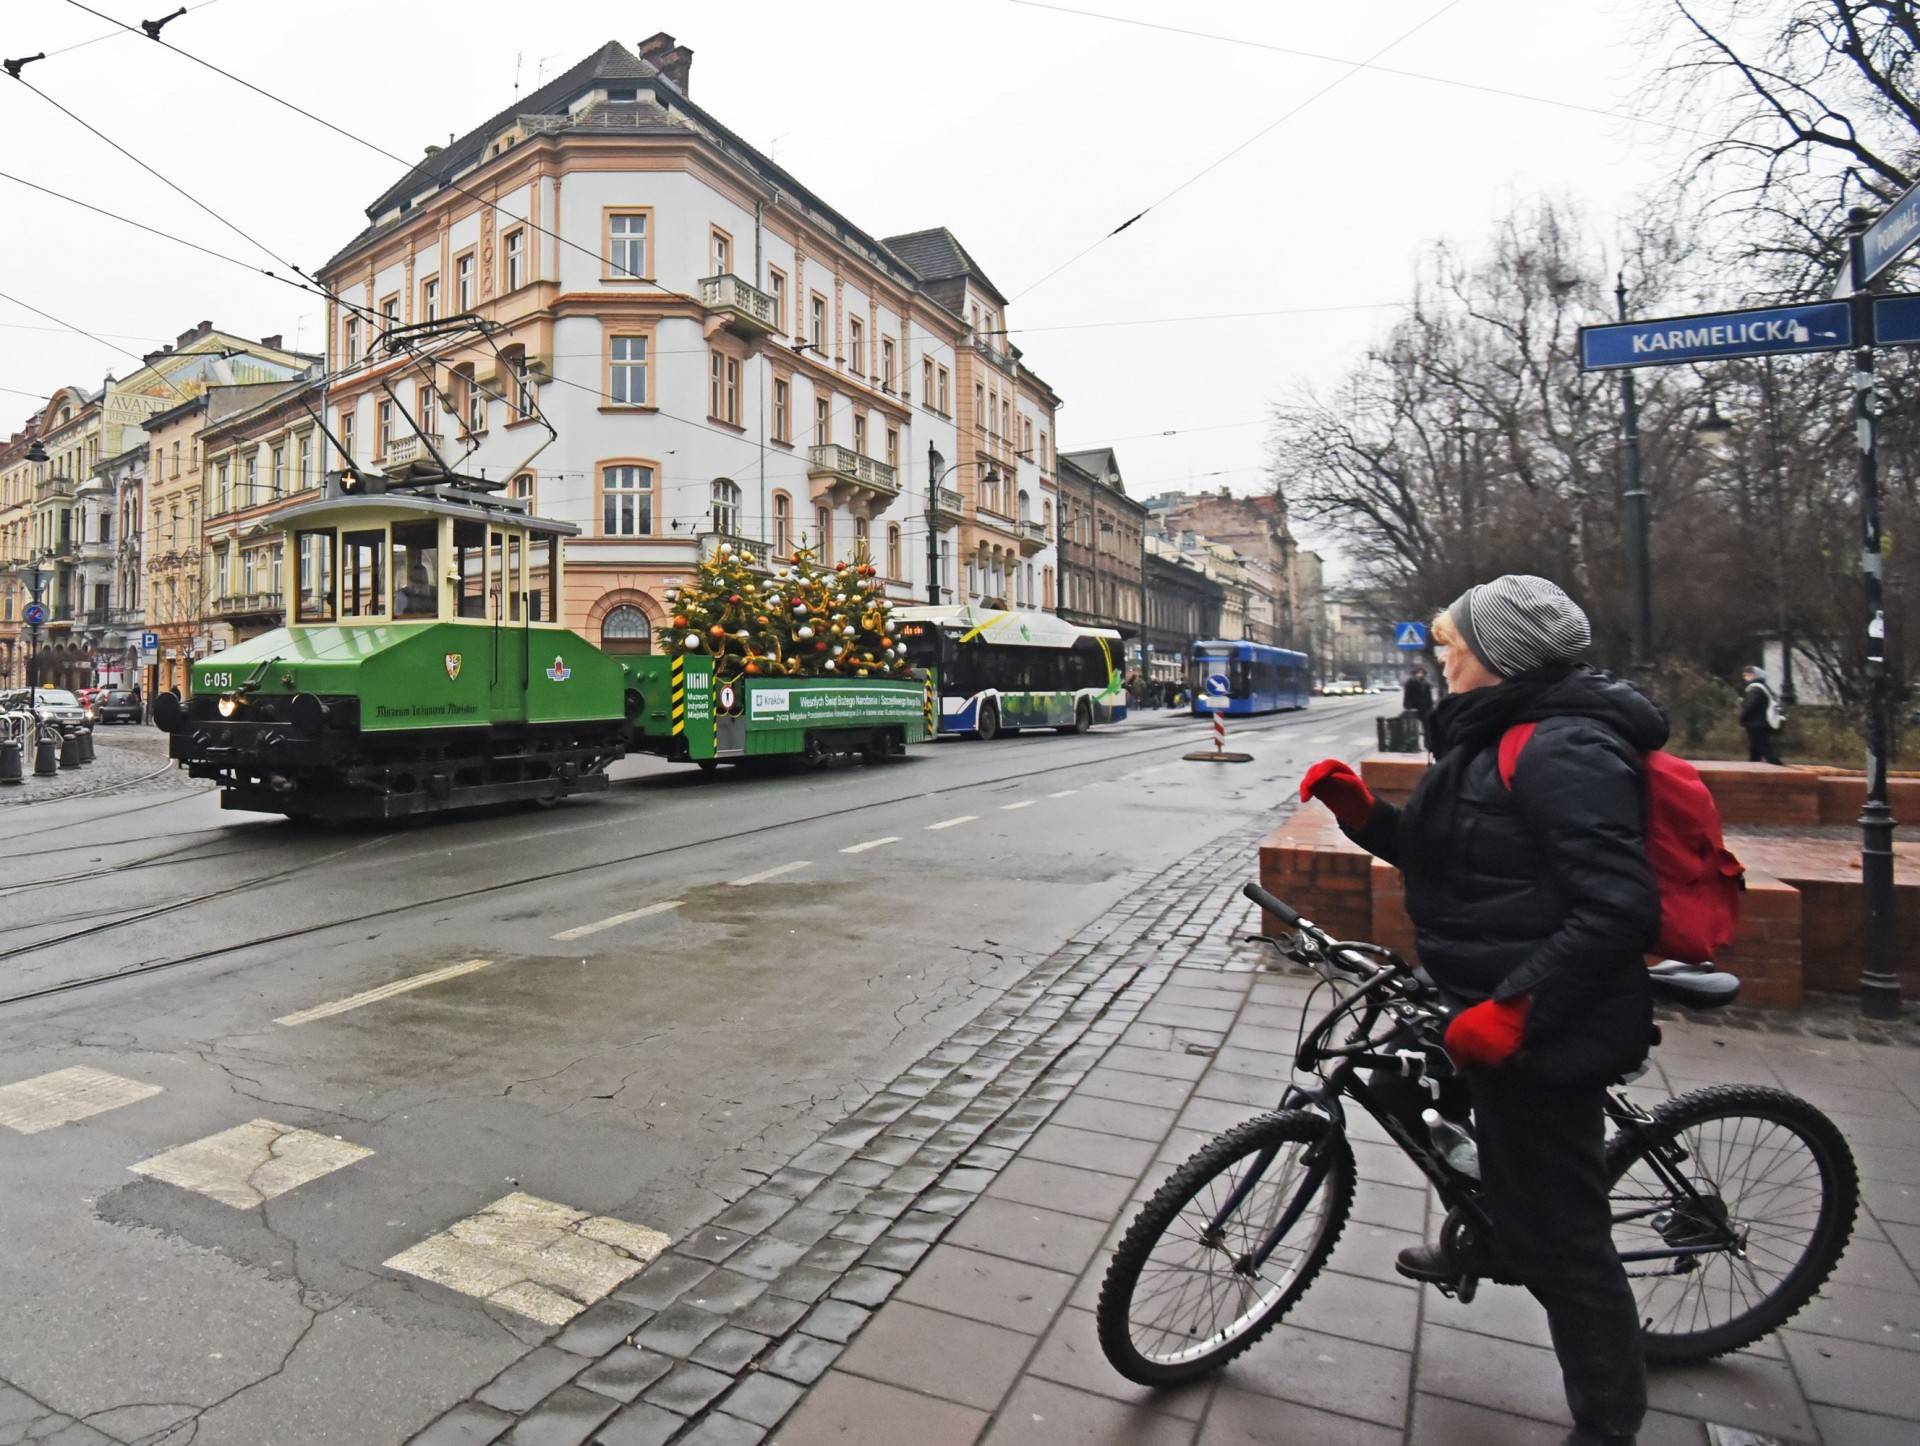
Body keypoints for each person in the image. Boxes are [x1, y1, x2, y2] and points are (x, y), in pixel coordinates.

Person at [1299, 574, 1656, 1446]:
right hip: (1479, 998)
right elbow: (1452, 857)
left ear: (1503, 656)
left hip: (1548, 1027)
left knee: (1569, 1246)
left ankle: (1609, 1425)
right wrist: (1363, 816)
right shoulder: (1487, 736)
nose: (1440, 655)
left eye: (1452, 644)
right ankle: (1493, 1237)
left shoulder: (1562, 749)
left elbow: (1619, 909)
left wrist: (1514, 1010)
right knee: (1488, 1149)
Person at [1738, 665, 1784, 765]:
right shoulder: (1763, 688)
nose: (1745, 677)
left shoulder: (1756, 689)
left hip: (1756, 724)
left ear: (1755, 675)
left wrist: (1742, 717)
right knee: (1755, 750)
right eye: (1745, 675)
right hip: (1761, 723)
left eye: (1748, 675)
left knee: (1764, 749)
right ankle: (1753, 768)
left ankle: (1779, 767)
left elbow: (1750, 706)